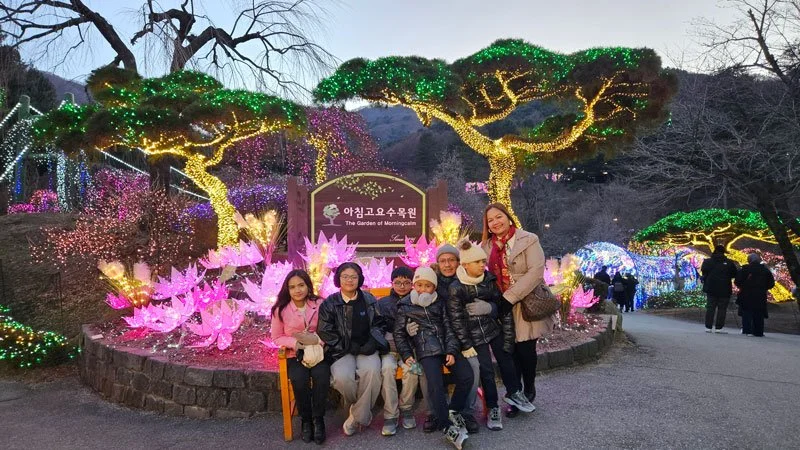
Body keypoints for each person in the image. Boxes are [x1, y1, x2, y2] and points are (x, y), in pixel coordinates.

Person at [447, 238, 535, 431]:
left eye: (483, 262)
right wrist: (466, 343)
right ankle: (493, 406)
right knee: (486, 370)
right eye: (477, 262)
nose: (482, 265)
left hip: (492, 329)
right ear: (465, 264)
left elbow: (502, 309)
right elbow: (456, 320)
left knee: (506, 358)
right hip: (474, 335)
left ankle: (513, 392)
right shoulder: (456, 287)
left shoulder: (488, 280)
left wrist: (492, 310)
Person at [480, 202, 554, 418]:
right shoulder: (486, 246)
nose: (495, 222)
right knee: (508, 353)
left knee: (526, 351)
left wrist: (510, 297)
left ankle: (529, 388)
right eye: (490, 220)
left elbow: (535, 272)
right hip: (501, 306)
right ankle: (516, 393)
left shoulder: (528, 239)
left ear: (508, 217)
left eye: (498, 217)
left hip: (525, 302)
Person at [393, 267, 473, 449]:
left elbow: (449, 327)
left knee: (466, 375)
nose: (422, 289)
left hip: (446, 347)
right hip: (426, 350)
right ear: (414, 286)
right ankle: (446, 425)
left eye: (427, 286)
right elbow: (399, 334)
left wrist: (452, 350)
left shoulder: (440, 303)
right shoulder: (405, 306)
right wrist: (406, 355)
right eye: (419, 285)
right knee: (435, 384)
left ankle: (453, 410)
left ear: (433, 288)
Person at [317, 262, 388, 436]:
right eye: (345, 276)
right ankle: (361, 412)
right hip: (341, 349)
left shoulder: (369, 300)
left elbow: (379, 324)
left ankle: (355, 415)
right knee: (342, 378)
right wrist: (348, 345)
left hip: (366, 348)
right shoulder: (330, 303)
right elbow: (325, 331)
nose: (350, 280)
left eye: (354, 277)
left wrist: (372, 341)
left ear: (360, 279)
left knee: (372, 372)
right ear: (338, 279)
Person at [415, 243, 479, 434]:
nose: (448, 264)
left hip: (462, 339)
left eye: (452, 260)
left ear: (459, 262)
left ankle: (464, 411)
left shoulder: (467, 281)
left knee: (473, 366)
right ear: (438, 263)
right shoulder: (432, 283)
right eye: (443, 261)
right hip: (436, 341)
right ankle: (434, 412)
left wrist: (486, 307)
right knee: (427, 373)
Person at [270, 269, 329, 444]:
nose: (298, 290)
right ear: (287, 289)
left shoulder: (319, 304)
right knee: (299, 379)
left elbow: (329, 329)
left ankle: (318, 419)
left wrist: (318, 340)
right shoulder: (280, 309)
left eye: (301, 285)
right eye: (292, 287)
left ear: (308, 286)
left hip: (319, 352)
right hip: (295, 354)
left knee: (322, 377)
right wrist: (296, 344)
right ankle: (306, 420)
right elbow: (277, 337)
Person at [375, 266, 425, 436]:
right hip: (388, 349)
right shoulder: (382, 303)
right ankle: (390, 414)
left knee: (412, 370)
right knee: (387, 369)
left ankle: (407, 408)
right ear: (392, 283)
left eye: (406, 282)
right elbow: (376, 327)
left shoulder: (416, 301)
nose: (402, 286)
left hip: (410, 349)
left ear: (412, 284)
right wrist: (385, 338)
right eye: (398, 282)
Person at [735, 253, 775, 337]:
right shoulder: (765, 270)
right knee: (759, 313)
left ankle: (747, 330)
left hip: (746, 294)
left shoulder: (744, 269)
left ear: (749, 260)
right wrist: (764, 288)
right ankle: (758, 331)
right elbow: (771, 283)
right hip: (760, 294)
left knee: (746, 312)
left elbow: (737, 281)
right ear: (759, 260)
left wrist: (742, 286)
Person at [700, 246, 738, 333]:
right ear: (724, 252)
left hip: (711, 288)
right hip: (724, 288)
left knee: (710, 307)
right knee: (722, 309)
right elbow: (734, 274)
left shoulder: (707, 262)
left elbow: (704, 272)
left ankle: (708, 327)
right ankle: (719, 327)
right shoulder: (729, 263)